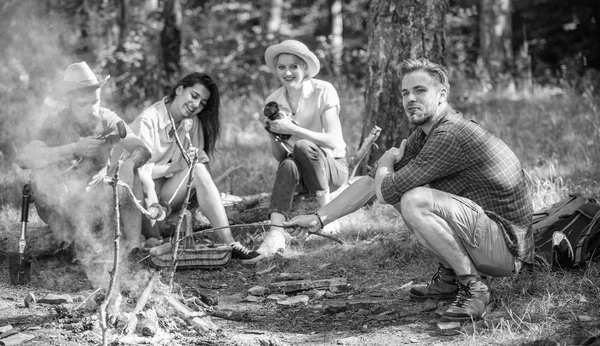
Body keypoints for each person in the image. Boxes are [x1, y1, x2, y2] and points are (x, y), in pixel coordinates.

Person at [284, 58, 534, 321]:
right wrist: (319, 218)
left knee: (413, 199)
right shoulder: (427, 133)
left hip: (507, 250)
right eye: (405, 93)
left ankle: (474, 288)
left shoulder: (449, 134)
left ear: (442, 95)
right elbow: (372, 183)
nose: (410, 99)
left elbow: (386, 192)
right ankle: (450, 277)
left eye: (420, 91)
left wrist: (386, 162)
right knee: (405, 193)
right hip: (487, 236)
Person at [17, 62, 152, 265]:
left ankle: (134, 251)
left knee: (134, 173)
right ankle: (69, 243)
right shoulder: (55, 124)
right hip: (62, 206)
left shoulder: (106, 118)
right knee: (41, 173)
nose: (92, 109)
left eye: (95, 101)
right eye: (83, 104)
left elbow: (142, 149)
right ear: (69, 103)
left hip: (98, 202)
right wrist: (73, 148)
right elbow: (25, 159)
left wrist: (129, 164)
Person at [129, 72, 259, 260]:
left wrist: (195, 163)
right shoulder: (148, 121)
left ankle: (228, 241)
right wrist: (176, 167)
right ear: (179, 89)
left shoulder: (191, 122)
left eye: (203, 103)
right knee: (153, 177)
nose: (196, 105)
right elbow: (138, 173)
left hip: (169, 193)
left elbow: (197, 165)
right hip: (141, 197)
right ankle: (150, 238)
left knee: (197, 169)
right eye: (194, 96)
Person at [246, 39, 349, 263]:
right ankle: (275, 231)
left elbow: (334, 139)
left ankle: (327, 217)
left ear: (304, 67)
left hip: (332, 168)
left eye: (293, 66)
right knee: (288, 163)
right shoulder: (274, 100)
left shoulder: (323, 90)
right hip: (301, 172)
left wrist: (293, 129)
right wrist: (274, 134)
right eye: (281, 67)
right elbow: (280, 156)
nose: (288, 72)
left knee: (302, 146)